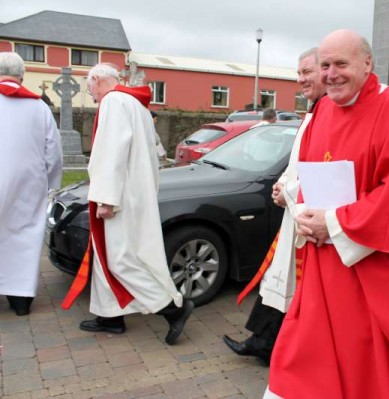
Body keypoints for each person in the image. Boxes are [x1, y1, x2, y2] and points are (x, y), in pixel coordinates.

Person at [263, 30, 389, 399]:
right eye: (325, 65)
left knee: (372, 364)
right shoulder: (322, 109)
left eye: (341, 64)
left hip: (378, 263)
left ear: (367, 64)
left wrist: (336, 223)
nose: (331, 74)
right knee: (306, 358)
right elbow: (310, 170)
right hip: (326, 260)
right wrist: (295, 197)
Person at [61, 64, 194, 344]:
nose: (92, 96)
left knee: (120, 259)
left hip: (120, 196)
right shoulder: (136, 105)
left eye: (90, 89)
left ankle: (173, 310)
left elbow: (112, 152)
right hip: (135, 192)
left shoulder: (112, 101)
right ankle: (110, 315)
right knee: (108, 254)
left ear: (97, 80)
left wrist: (107, 198)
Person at [223, 48, 326, 363]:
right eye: (299, 73)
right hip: (295, 211)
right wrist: (283, 185)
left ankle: (270, 345)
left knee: (291, 287)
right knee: (280, 282)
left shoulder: (330, 113)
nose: (300, 79)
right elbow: (299, 161)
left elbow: (325, 169)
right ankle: (264, 342)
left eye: (307, 72)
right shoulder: (314, 113)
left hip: (310, 219)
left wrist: (291, 191)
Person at [0, 52, 63, 316]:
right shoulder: (39, 107)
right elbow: (54, 152)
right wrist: (51, 184)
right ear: (22, 76)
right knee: (23, 235)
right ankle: (20, 299)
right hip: (27, 183)